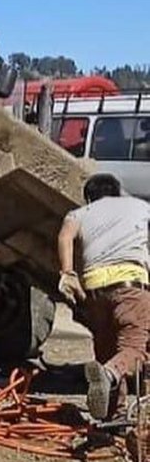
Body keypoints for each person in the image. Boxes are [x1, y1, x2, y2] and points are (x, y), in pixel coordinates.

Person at [57, 173, 150, 420]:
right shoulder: (140, 206)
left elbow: (65, 236)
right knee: (134, 350)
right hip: (131, 286)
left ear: (89, 197)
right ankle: (109, 374)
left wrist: (68, 273)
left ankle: (113, 417)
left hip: (95, 288)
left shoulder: (79, 214)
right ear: (117, 191)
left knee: (107, 349)